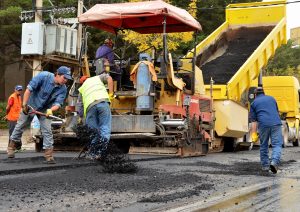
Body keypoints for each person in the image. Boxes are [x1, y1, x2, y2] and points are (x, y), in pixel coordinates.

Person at [7, 66, 72, 164]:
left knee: (47, 130)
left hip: (45, 109)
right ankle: (11, 147)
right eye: (64, 77)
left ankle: (48, 155)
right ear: (57, 74)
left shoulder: (63, 89)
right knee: (20, 126)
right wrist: (24, 105)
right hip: (30, 104)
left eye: (67, 79)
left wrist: (50, 110)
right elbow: (29, 90)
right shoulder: (43, 76)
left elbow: (58, 103)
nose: (65, 80)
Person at [77, 73, 114, 160]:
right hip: (103, 103)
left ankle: (92, 154)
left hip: (90, 107)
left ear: (82, 82)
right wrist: (111, 93)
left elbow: (80, 105)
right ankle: (101, 152)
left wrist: (80, 117)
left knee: (93, 131)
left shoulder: (81, 89)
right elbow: (109, 78)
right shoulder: (97, 78)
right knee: (105, 127)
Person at [250, 87, 283, 174]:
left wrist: (253, 134)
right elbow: (276, 111)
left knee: (264, 145)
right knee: (277, 145)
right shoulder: (272, 99)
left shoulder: (254, 103)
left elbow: (254, 121)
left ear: (255, 95)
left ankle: (265, 166)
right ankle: (274, 162)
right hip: (276, 123)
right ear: (264, 93)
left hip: (263, 125)